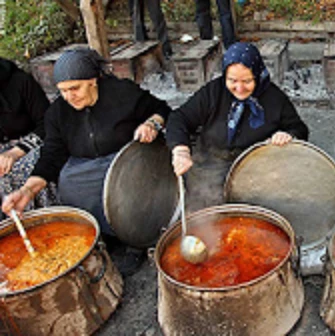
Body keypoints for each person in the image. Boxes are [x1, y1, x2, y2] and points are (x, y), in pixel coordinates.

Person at [1, 48, 171, 275]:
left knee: (127, 188)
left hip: (126, 160)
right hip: (85, 166)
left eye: (75, 88)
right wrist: (27, 191)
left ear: (93, 81)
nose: (70, 96)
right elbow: (51, 155)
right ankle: (108, 234)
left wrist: (152, 124)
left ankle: (136, 240)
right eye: (62, 91)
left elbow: (162, 109)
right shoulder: (58, 113)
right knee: (69, 183)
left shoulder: (123, 93)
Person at [167, 42, 309, 212]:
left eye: (247, 81)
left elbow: (299, 129)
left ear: (257, 74)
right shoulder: (213, 92)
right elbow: (179, 118)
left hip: (255, 171)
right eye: (232, 80)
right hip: (209, 166)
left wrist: (287, 134)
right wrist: (180, 151)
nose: (239, 88)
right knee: (205, 216)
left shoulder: (274, 98)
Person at [0, 58, 57, 216]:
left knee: (24, 170)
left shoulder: (20, 82)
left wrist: (15, 152)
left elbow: (47, 124)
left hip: (31, 144)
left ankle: (43, 222)